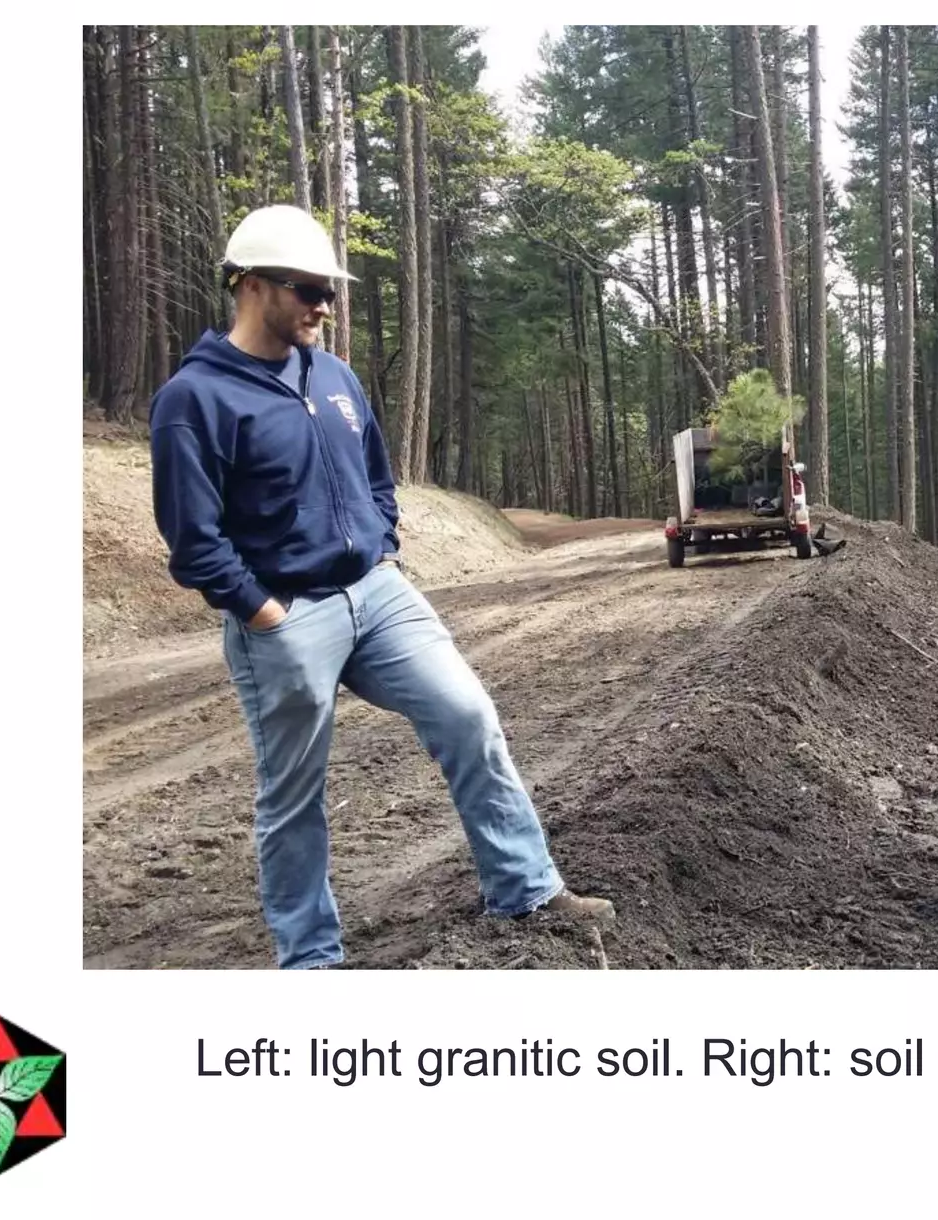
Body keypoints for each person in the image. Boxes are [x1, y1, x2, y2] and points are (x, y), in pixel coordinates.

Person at [149, 205, 612, 969]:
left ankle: (525, 890)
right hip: (286, 614)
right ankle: (311, 960)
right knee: (293, 795)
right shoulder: (195, 400)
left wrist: (382, 543)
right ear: (252, 285)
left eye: (329, 290)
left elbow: (375, 475)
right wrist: (263, 612)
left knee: (469, 715)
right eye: (307, 290)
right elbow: (194, 541)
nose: (323, 306)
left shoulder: (332, 376)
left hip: (377, 592)